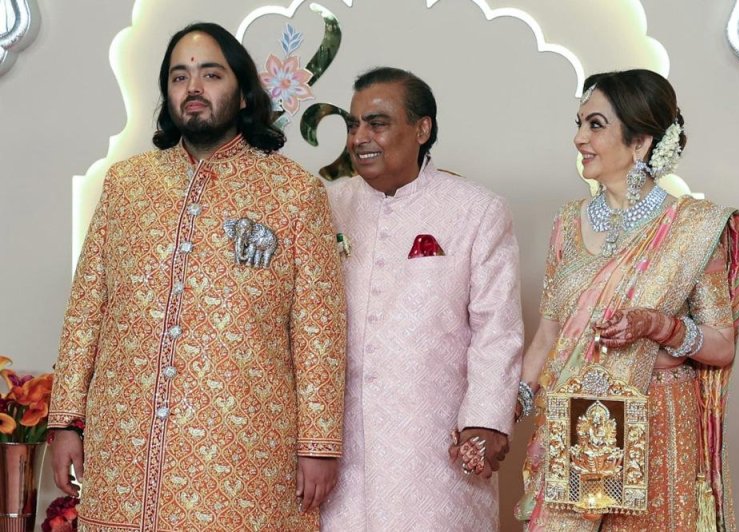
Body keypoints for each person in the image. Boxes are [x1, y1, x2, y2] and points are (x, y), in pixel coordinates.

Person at [47, 22, 347, 531]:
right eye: (179, 76)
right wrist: (65, 422)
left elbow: (319, 331)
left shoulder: (294, 193)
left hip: (245, 447)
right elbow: (86, 311)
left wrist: (319, 444)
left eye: (211, 74)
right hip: (126, 442)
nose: (194, 89)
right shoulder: (126, 185)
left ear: (244, 92)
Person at [515, 69, 739, 531]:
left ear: (641, 142)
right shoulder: (567, 220)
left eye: (595, 125)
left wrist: (659, 326)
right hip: (576, 424)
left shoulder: (692, 228)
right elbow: (548, 334)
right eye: (579, 123)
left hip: (658, 422)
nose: (579, 138)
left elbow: (721, 345)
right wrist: (508, 410)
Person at [319, 67, 524, 531]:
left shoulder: (476, 210)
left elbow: (498, 329)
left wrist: (487, 420)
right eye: (353, 126)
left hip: (434, 444)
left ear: (422, 128)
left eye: (377, 123)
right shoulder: (325, 206)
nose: (359, 138)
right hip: (338, 446)